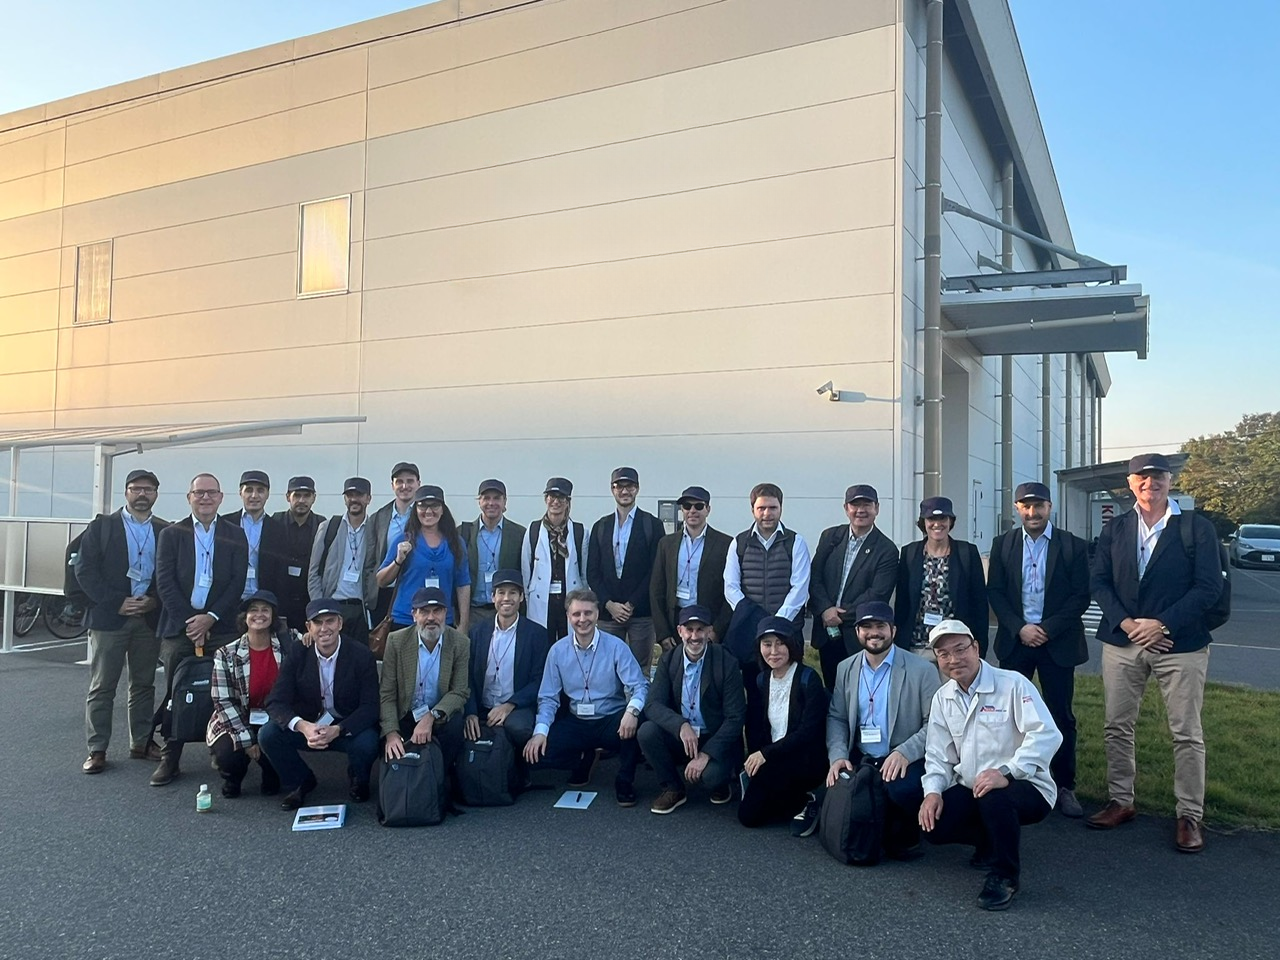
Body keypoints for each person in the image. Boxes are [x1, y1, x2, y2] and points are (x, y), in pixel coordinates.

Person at [1086, 453, 1224, 853]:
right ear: (1130, 483)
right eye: (1142, 478)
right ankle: (1121, 800)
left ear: (1170, 480)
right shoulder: (1115, 528)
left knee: (1186, 732)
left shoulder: (1196, 528)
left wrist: (1161, 624)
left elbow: (1209, 587)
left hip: (1179, 644)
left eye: (1158, 476)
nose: (1150, 483)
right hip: (1123, 642)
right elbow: (1099, 582)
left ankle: (1189, 815)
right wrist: (1129, 624)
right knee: (1117, 725)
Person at [919, 620, 1062, 911]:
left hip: (1025, 785)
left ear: (976, 648)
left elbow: (1047, 734)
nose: (954, 659)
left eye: (960, 649)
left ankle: (1005, 876)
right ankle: (990, 839)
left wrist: (1007, 772)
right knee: (933, 827)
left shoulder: (1012, 684)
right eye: (944, 654)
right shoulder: (942, 698)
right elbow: (938, 755)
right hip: (973, 786)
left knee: (995, 798)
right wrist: (932, 792)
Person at [987, 481, 1091, 819]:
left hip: (1056, 643)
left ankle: (1064, 785)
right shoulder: (1003, 544)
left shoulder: (1072, 546)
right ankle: (1012, 777)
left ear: (1050, 507)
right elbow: (995, 592)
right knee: (1008, 716)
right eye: (1026, 506)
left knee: (1060, 716)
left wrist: (1046, 629)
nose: (1033, 512)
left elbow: (1081, 596)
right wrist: (1020, 627)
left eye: (1039, 506)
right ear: (1017, 508)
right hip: (1015, 642)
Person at [150, 473, 249, 787]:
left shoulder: (236, 534)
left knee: (226, 691)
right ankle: (171, 755)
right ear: (189, 497)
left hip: (221, 626)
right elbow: (164, 581)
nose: (205, 498)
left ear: (221, 497)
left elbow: (237, 582)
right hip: (180, 628)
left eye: (211, 493)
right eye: (199, 493)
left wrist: (211, 617)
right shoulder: (171, 534)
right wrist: (191, 622)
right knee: (176, 692)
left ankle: (221, 749)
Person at [826, 601, 940, 857]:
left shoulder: (922, 670)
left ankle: (907, 829)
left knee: (899, 791)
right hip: (862, 754)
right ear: (857, 632)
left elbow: (934, 724)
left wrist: (905, 752)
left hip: (903, 755)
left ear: (893, 630)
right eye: (866, 627)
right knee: (840, 789)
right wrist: (838, 756)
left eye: (880, 626)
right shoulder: (846, 668)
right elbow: (838, 717)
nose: (874, 633)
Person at [77, 468, 169, 774]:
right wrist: (116, 602)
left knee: (143, 684)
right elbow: (85, 570)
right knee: (103, 686)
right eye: (136, 488)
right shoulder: (102, 527)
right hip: (110, 619)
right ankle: (97, 749)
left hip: (147, 618)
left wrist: (154, 599)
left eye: (148, 489)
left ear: (156, 494)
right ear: (126, 492)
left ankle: (141, 742)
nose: (142, 494)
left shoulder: (165, 530)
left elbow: (170, 573)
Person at [523, 589, 648, 807]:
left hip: (611, 719)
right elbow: (548, 698)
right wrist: (540, 733)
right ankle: (584, 757)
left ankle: (624, 781)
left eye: (588, 613)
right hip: (577, 721)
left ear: (597, 614)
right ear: (568, 616)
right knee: (540, 754)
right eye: (576, 614)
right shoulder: (557, 651)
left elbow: (639, 685)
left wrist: (632, 712)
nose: (582, 619)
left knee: (638, 725)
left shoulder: (616, 646)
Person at [259, 598, 381, 809]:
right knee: (268, 734)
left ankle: (358, 777)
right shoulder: (297, 652)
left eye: (330, 621)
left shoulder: (361, 655)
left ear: (340, 623)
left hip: (345, 725)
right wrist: (303, 726)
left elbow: (370, 706)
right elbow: (276, 701)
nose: (324, 628)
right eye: (318, 622)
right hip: (309, 726)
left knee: (368, 742)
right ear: (309, 627)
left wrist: (338, 730)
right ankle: (301, 781)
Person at [638, 604, 745, 814]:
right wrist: (680, 725)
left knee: (711, 777)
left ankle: (720, 783)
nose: (694, 637)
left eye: (700, 629)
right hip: (683, 736)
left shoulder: (726, 662)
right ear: (680, 631)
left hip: (714, 737)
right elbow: (652, 704)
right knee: (647, 731)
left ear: (709, 631)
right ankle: (673, 788)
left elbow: (735, 717)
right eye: (689, 630)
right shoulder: (669, 660)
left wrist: (706, 754)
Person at [723, 483, 812, 711]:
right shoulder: (739, 543)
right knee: (755, 695)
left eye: (772, 508)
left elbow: (800, 588)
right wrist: (753, 618)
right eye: (761, 508)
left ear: (781, 508)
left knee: (790, 696)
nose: (767, 514)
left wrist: (777, 623)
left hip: (788, 633)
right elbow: (731, 587)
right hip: (752, 634)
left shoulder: (796, 542)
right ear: (752, 509)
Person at [205, 590, 302, 797]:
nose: (259, 615)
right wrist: (247, 740)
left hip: (275, 716)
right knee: (228, 753)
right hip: (236, 717)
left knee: (272, 743)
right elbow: (222, 700)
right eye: (253, 610)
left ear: (273, 616)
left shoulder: (289, 642)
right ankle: (233, 777)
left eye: (265, 610)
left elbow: (315, 641)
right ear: (245, 617)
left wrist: (311, 636)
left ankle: (271, 770)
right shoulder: (226, 653)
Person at [739, 616, 828, 834]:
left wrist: (765, 754)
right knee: (748, 817)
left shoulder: (808, 679)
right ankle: (795, 800)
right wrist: (757, 754)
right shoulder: (762, 679)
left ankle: (810, 799)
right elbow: (760, 727)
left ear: (791, 645)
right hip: (775, 757)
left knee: (758, 805)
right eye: (767, 644)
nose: (774, 651)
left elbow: (808, 732)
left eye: (780, 643)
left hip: (805, 758)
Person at [809, 484, 899, 692]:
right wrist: (825, 610)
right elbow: (815, 576)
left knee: (860, 692)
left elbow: (877, 594)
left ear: (877, 508)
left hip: (858, 635)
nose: (860, 510)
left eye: (867, 505)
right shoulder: (830, 537)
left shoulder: (886, 549)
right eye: (855, 505)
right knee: (832, 691)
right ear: (846, 508)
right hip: (827, 632)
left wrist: (838, 615)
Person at [380, 587, 471, 774]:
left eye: (437, 611)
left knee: (455, 726)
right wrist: (391, 733)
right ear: (414, 615)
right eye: (424, 611)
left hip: (439, 714)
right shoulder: (396, 641)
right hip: (406, 713)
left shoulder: (460, 643)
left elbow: (460, 691)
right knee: (393, 754)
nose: (431, 618)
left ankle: (442, 777)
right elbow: (387, 693)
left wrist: (431, 716)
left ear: (446, 613)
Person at [463, 569, 549, 762]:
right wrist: (471, 713)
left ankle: (518, 767)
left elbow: (539, 680)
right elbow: (466, 676)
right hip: (482, 706)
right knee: (460, 728)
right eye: (501, 593)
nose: (506, 598)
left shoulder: (536, 634)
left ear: (521, 597)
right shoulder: (477, 632)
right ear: (493, 597)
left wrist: (510, 705)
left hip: (516, 706)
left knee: (520, 728)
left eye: (513, 593)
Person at [587, 466, 665, 674]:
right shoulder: (600, 526)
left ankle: (637, 699)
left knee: (639, 671)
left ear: (637, 489)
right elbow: (592, 572)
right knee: (607, 670)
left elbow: (655, 571)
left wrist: (631, 604)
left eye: (629, 486)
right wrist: (609, 604)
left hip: (641, 614)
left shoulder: (652, 525)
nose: (624, 491)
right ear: (612, 489)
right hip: (608, 615)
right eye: (619, 486)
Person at [895, 497, 988, 659]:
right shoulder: (909, 553)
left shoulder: (967, 553)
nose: (937, 524)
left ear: (950, 521)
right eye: (931, 519)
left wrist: (980, 648)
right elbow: (902, 604)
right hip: (917, 646)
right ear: (923, 522)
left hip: (954, 649)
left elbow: (980, 604)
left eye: (943, 518)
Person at [376, 484, 472, 633]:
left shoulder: (456, 543)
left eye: (434, 506)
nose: (428, 511)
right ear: (415, 509)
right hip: (405, 620)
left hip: (442, 621)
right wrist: (398, 561)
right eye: (422, 506)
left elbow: (463, 584)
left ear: (442, 510)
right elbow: (381, 581)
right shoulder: (404, 539)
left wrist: (464, 624)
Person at [650, 485, 733, 654]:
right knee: (675, 668)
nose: (692, 511)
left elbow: (730, 591)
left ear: (708, 509)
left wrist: (716, 630)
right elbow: (656, 589)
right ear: (682, 510)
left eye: (699, 506)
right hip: (676, 620)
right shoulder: (666, 544)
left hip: (708, 621)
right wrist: (663, 633)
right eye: (687, 506)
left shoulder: (725, 544)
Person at [308, 477, 379, 646]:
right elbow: (314, 572)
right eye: (349, 495)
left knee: (359, 658)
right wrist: (320, 606)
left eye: (359, 495)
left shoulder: (375, 530)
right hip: (333, 607)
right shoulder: (329, 527)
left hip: (361, 610)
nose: (354, 499)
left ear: (368, 498)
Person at [521, 478, 588, 642]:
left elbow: (585, 573)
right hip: (541, 600)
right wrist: (527, 599)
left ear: (568, 501)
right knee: (542, 643)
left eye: (561, 497)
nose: (556, 502)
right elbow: (525, 569)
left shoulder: (580, 531)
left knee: (570, 643)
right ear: (546, 499)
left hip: (570, 598)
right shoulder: (534, 529)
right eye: (552, 496)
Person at [459, 479, 527, 628]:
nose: (491, 503)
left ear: (505, 502)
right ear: (479, 501)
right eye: (486, 498)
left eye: (496, 498)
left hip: (507, 613)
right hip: (473, 613)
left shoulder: (519, 534)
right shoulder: (463, 533)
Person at [222, 469, 286, 602]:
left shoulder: (278, 529)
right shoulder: (224, 524)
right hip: (229, 600)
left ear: (267, 494)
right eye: (249, 490)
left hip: (263, 600)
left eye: (260, 491)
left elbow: (280, 573)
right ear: (240, 493)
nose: (254, 495)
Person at [369, 461, 421, 625]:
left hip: (415, 589)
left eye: (410, 481)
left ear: (418, 484)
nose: (405, 486)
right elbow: (370, 560)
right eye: (399, 481)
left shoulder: (427, 514)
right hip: (385, 591)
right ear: (392, 485)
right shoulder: (379, 517)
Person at [271, 475, 320, 630]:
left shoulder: (322, 525)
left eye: (306, 496)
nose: (301, 500)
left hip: (308, 599)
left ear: (314, 498)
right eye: (297, 495)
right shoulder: (274, 522)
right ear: (288, 497)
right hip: (279, 598)